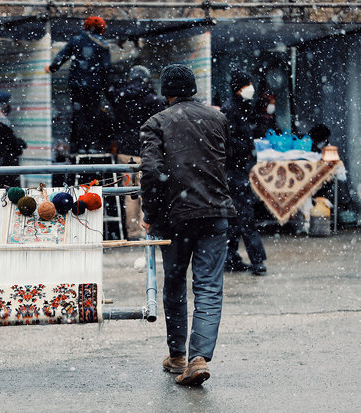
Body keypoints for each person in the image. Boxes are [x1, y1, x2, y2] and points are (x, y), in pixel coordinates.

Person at [140, 64, 236, 386]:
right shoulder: (218, 118)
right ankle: (197, 358)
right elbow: (227, 162)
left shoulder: (156, 123)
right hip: (215, 212)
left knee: (176, 282)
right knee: (209, 286)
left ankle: (178, 354)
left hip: (175, 217)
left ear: (166, 92)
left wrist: (151, 215)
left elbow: (152, 174)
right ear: (193, 89)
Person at [108, 65, 166, 240]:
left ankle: (132, 232)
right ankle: (144, 231)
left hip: (125, 152)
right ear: (146, 79)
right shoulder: (153, 99)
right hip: (146, 150)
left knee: (130, 193)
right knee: (147, 192)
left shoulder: (120, 97)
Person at [221, 70, 267, 275]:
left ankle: (231, 258)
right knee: (245, 215)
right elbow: (229, 141)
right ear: (239, 88)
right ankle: (256, 260)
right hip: (234, 170)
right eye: (248, 84)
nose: (251, 88)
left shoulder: (239, 107)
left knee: (235, 217)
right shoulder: (231, 109)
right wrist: (245, 152)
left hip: (236, 169)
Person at [45, 16, 111, 153]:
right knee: (92, 116)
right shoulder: (103, 45)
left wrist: (51, 68)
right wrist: (104, 86)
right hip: (94, 86)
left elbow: (62, 56)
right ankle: (92, 146)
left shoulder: (76, 41)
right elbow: (106, 68)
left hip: (77, 85)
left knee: (78, 115)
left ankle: (77, 147)